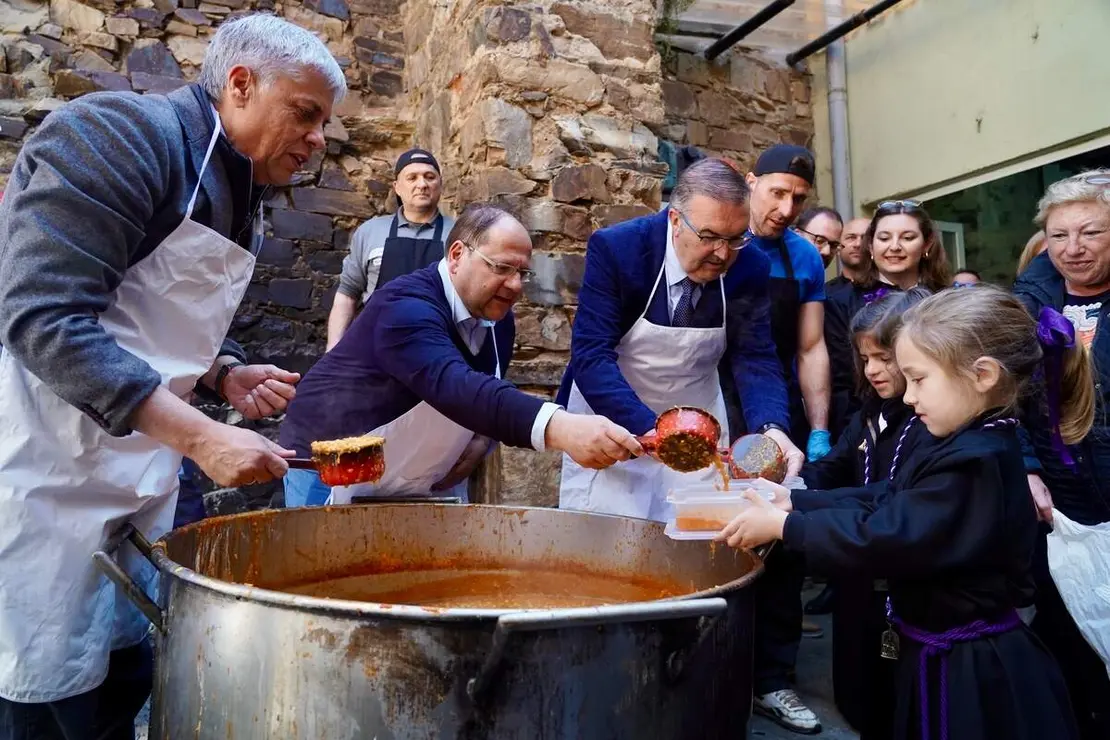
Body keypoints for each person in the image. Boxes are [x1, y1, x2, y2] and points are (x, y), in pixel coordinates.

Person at [0, 14, 343, 736]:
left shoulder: (238, 187)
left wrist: (221, 375)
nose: (318, 140)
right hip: (39, 475)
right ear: (241, 85)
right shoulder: (119, 135)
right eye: (306, 115)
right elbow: (44, 316)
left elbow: (136, 313)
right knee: (39, 701)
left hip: (134, 486)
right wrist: (200, 438)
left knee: (120, 687)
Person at [719, 286, 1085, 740]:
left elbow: (889, 534)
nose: (909, 398)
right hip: (938, 651)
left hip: (966, 668)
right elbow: (891, 496)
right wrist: (796, 500)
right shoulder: (965, 441)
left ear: (983, 375)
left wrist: (786, 526)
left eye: (919, 379)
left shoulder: (975, 461)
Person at [279, 203, 641, 507]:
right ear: (456, 255)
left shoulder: (498, 320)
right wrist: (561, 427)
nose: (515, 286)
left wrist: (482, 438)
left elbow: (489, 388)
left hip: (411, 472)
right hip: (328, 468)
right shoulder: (404, 308)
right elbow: (454, 384)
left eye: (522, 273)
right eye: (501, 268)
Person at [556, 158, 801, 522]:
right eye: (709, 236)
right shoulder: (619, 250)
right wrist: (658, 434)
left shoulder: (749, 265)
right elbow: (591, 356)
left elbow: (755, 357)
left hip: (700, 424)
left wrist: (773, 429)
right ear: (674, 220)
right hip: (615, 424)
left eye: (735, 238)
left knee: (694, 545)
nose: (722, 254)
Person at [802, 287, 934, 739]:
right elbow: (837, 463)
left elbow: (891, 492)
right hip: (858, 567)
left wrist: (795, 511)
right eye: (865, 359)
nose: (873, 370)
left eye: (885, 358)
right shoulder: (869, 412)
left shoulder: (927, 421)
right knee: (856, 690)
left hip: (897, 573)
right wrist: (792, 484)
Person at [1013, 170, 1110, 740]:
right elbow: (1005, 394)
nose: (1073, 248)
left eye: (1091, 232)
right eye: (1059, 235)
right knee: (1065, 630)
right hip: (1056, 501)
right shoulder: (1027, 305)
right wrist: (1025, 465)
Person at [825, 201, 951, 442]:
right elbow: (843, 380)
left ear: (926, 244)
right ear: (870, 246)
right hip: (868, 425)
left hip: (937, 425)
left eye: (907, 237)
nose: (895, 247)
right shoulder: (841, 301)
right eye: (884, 238)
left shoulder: (945, 300)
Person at [327, 148, 454, 350]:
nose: (422, 184)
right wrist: (332, 350)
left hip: (438, 350)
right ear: (397, 187)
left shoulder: (458, 235)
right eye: (412, 178)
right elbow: (347, 294)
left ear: (440, 184)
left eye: (429, 177)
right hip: (375, 350)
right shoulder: (370, 231)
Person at [827, 216, 872, 293]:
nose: (858, 244)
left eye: (865, 238)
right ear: (838, 246)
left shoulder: (892, 292)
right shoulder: (823, 295)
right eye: (851, 238)